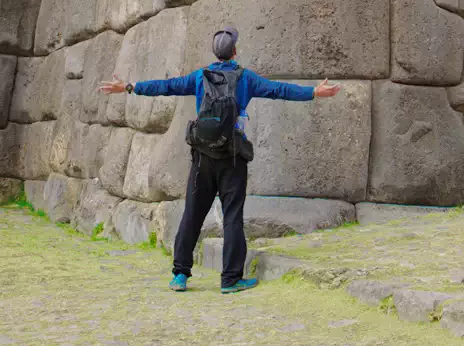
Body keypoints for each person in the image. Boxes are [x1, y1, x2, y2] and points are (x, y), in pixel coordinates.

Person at [99, 25, 340, 294]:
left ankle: (180, 275)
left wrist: (129, 86)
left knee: (192, 214)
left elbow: (166, 86)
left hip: (202, 156)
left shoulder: (199, 77)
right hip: (232, 158)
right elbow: (279, 90)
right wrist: (313, 92)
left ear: (215, 52)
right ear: (235, 51)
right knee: (232, 217)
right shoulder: (246, 79)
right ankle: (230, 279)